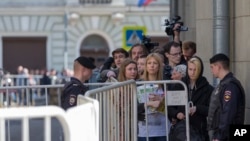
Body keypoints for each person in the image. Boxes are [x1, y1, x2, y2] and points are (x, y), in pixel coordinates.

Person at [207, 53, 245, 141]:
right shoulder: (224, 85)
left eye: (212, 67)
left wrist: (219, 136)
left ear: (218, 66)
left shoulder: (230, 86)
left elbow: (228, 113)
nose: (211, 70)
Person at [137, 53, 170, 141]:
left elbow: (172, 106)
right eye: (149, 63)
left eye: (155, 63)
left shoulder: (165, 84)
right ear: (146, 66)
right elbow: (134, 107)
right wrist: (148, 104)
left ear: (159, 66)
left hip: (162, 130)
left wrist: (162, 100)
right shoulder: (138, 84)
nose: (152, 65)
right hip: (144, 131)